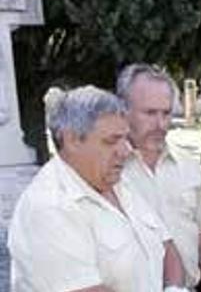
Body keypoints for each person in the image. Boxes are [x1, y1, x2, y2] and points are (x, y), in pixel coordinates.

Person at [8, 86, 186, 292]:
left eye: (125, 138)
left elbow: (167, 246)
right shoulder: (48, 207)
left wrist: (174, 288)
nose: (126, 151)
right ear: (72, 140)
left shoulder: (119, 182)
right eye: (112, 141)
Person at [118, 63, 201, 291]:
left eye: (166, 113)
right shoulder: (108, 171)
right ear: (123, 110)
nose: (160, 124)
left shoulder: (189, 168)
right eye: (149, 113)